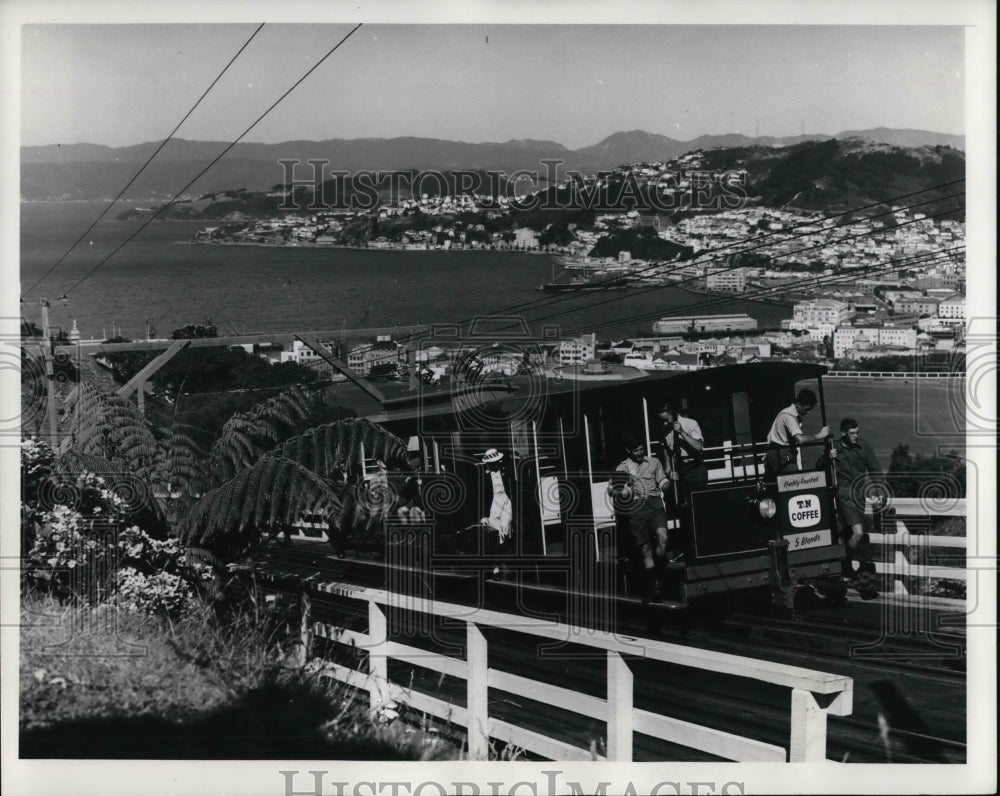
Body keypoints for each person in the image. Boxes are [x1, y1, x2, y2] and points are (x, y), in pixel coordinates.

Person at [608, 436, 676, 602]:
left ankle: (659, 570)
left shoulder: (654, 462)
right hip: (636, 510)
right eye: (636, 450)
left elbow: (663, 482)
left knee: (663, 541)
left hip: (655, 506)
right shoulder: (621, 467)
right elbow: (611, 489)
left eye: (641, 449)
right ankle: (655, 583)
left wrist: (670, 482)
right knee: (645, 550)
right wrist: (620, 492)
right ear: (628, 451)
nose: (639, 453)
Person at [826, 418, 881, 599]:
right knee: (858, 532)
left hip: (859, 495)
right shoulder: (834, 446)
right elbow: (821, 467)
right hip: (843, 494)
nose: (856, 436)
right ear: (843, 433)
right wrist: (828, 457)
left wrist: (879, 491)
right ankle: (845, 565)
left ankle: (845, 566)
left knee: (849, 534)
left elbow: (875, 470)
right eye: (852, 433)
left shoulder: (864, 447)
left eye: (857, 432)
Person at [764, 388, 830, 477]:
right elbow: (800, 439)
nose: (808, 412)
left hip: (775, 452)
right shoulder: (789, 416)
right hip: (781, 453)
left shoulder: (786, 413)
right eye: (807, 409)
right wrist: (819, 435)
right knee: (795, 480)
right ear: (798, 405)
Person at [658, 401, 708, 504]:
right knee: (683, 506)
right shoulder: (665, 430)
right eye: (662, 421)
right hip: (679, 471)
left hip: (695, 469)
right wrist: (669, 473)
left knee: (699, 503)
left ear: (673, 413)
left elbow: (699, 447)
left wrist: (682, 432)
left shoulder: (690, 423)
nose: (665, 423)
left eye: (666, 420)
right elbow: (667, 455)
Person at [479, 448, 513, 542]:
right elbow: (482, 496)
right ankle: (500, 550)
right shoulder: (484, 476)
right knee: (497, 529)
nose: (494, 464)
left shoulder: (504, 471)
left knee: (506, 525)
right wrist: (483, 515)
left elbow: (511, 486)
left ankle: (508, 547)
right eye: (491, 463)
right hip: (493, 503)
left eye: (496, 462)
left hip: (505, 501)